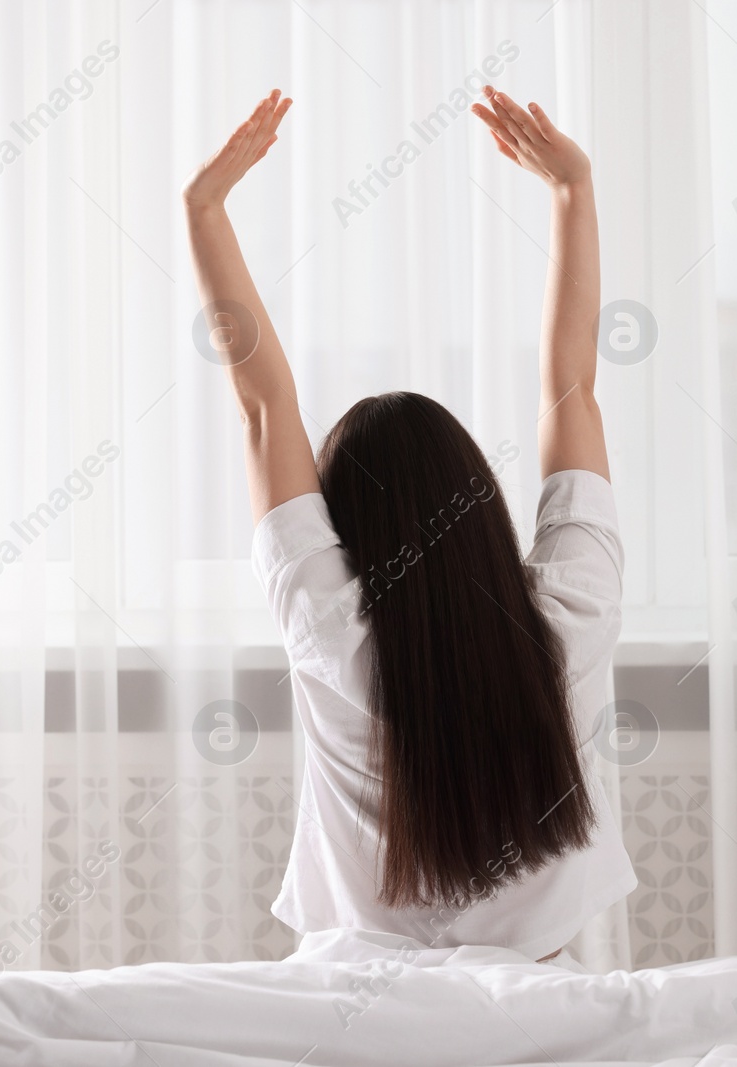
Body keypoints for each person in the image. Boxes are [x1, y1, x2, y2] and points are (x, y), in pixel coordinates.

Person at [182, 85, 635, 963]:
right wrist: (573, 192)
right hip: (543, 1008)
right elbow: (572, 387)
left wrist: (204, 210)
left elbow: (264, 407)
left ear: (345, 532)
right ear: (479, 501)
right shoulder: (572, 614)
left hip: (355, 1013)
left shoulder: (330, 623)